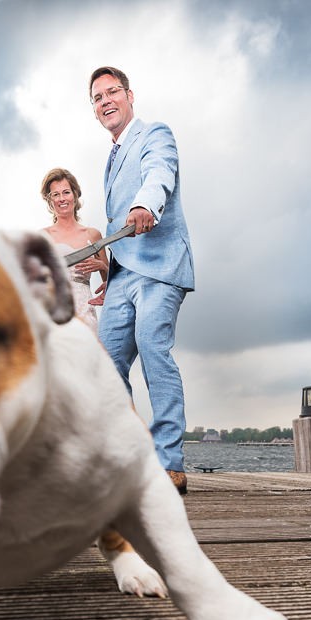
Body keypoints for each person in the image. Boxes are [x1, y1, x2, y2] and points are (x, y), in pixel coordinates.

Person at [89, 65, 194, 494]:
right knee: (106, 365)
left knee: (153, 347)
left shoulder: (155, 134)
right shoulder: (111, 157)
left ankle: (169, 463)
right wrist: (110, 274)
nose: (106, 101)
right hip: (123, 273)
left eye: (112, 92)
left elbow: (159, 173)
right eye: (97, 98)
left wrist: (146, 205)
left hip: (160, 266)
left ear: (130, 96)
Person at [38, 167, 108, 333]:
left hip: (86, 312)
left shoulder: (93, 235)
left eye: (66, 192)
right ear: (49, 200)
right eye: (55, 194)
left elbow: (109, 283)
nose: (62, 199)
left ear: (75, 195)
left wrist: (103, 267)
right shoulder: (42, 237)